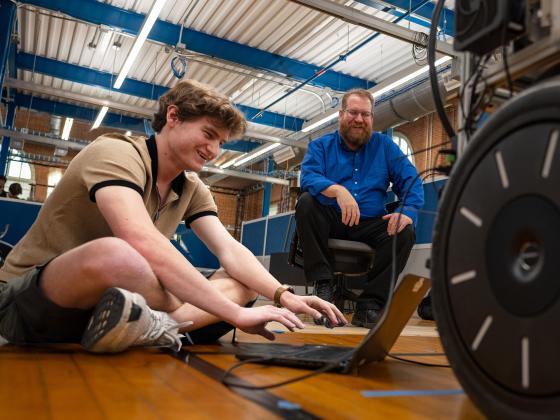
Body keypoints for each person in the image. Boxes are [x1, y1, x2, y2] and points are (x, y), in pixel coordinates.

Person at [0, 79, 345, 353]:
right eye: (209, 134)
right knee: (119, 254)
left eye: (222, 142)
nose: (214, 150)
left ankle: (148, 326)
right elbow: (140, 240)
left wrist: (284, 295)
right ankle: (171, 323)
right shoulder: (115, 151)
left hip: (105, 314)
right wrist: (234, 313)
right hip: (28, 304)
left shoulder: (192, 187)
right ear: (173, 117)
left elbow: (231, 250)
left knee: (242, 280)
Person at [296, 89, 424, 328]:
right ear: (341, 114)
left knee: (404, 231)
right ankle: (323, 287)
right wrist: (337, 190)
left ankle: (370, 305)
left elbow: (411, 182)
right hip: (329, 219)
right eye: (353, 112)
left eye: (365, 114)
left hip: (368, 223)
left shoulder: (385, 147)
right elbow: (309, 177)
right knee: (306, 202)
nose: (359, 119)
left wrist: (407, 212)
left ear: (372, 118)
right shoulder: (321, 146)